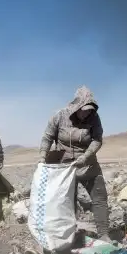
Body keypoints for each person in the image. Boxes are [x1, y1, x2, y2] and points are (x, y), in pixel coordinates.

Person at [39, 85, 109, 241]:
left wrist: (86, 156)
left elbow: (97, 139)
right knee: (67, 201)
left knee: (100, 197)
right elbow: (47, 137)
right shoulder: (59, 116)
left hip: (87, 164)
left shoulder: (94, 118)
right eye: (84, 110)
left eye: (90, 110)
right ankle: (68, 236)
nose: (87, 113)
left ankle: (104, 234)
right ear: (76, 106)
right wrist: (43, 157)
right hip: (64, 167)